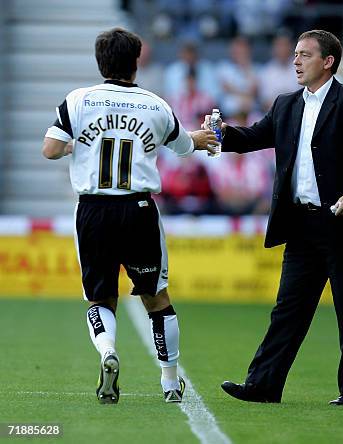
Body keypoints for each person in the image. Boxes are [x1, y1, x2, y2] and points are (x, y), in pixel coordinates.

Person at [205, 30, 343, 406]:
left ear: (328, 62)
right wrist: (223, 134)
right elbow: (254, 136)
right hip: (302, 225)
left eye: (305, 55)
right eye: (295, 54)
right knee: (287, 311)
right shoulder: (286, 104)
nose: (295, 61)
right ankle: (263, 386)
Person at [41, 28, 219, 404]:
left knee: (100, 299)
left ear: (99, 61)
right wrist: (200, 138)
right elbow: (186, 147)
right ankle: (170, 381)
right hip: (138, 210)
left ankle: (107, 350)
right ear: (136, 62)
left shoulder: (78, 100)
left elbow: (50, 149)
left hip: (92, 209)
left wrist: (77, 145)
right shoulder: (155, 104)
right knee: (157, 298)